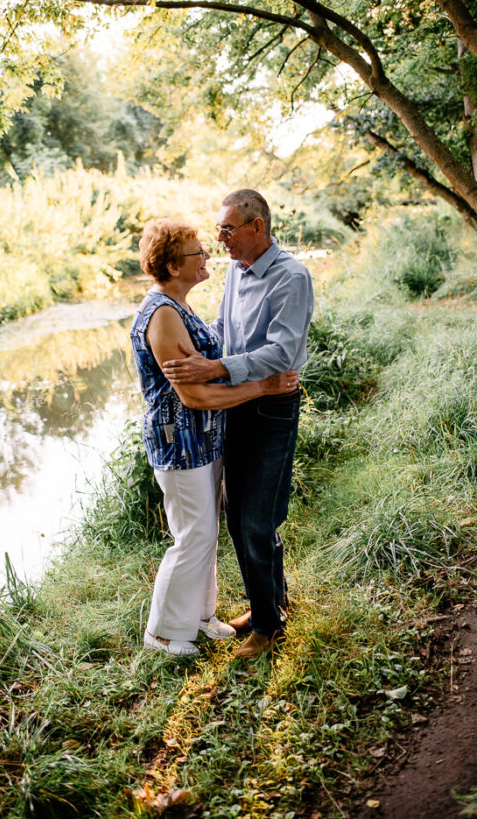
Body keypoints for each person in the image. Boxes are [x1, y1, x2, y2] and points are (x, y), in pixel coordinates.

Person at [130, 217, 298, 657]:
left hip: (203, 442)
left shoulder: (179, 305)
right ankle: (164, 632)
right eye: (197, 252)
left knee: (205, 532)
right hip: (179, 443)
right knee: (193, 535)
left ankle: (201, 617)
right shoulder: (162, 314)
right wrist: (263, 386)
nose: (207, 256)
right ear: (172, 266)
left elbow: (209, 368)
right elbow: (194, 396)